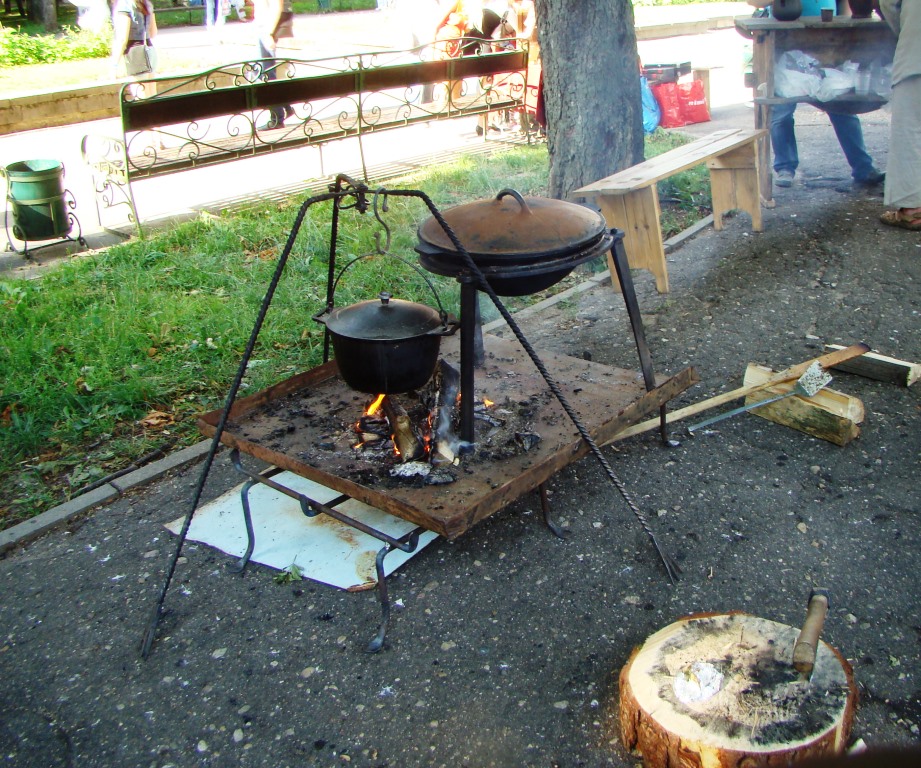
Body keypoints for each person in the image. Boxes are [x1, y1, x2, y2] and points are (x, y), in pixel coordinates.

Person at [747, 0, 885, 189]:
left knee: (842, 106)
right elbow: (753, 2)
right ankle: (785, 167)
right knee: (782, 110)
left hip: (826, 41)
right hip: (785, 39)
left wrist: (843, 25)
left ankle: (863, 168)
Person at [878, 0, 921, 229]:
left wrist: (905, 30)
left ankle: (913, 210)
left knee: (910, 131)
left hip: (917, 55)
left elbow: (888, 4)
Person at [253, 0, 295, 130]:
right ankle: (285, 106)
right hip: (263, 26)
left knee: (266, 73)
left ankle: (277, 117)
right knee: (258, 71)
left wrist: (269, 33)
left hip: (267, 28)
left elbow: (278, 5)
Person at [111, 0, 158, 87]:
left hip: (135, 53)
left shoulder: (124, 5)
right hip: (150, 50)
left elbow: (122, 39)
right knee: (152, 96)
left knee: (140, 97)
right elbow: (153, 32)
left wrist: (114, 65)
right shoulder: (147, 3)